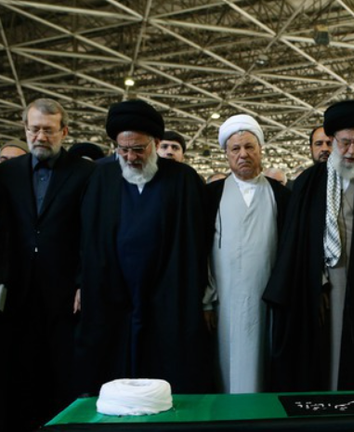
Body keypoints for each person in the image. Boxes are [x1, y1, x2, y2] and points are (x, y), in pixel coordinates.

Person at [75, 99, 211, 396]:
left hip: (166, 291)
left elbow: (197, 242)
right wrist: (83, 282)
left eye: (138, 149)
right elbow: (87, 238)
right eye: (123, 150)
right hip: (114, 291)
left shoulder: (183, 179)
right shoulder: (101, 178)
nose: (130, 157)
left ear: (156, 143)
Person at [263, 100, 354, 392]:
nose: (351, 150)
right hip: (318, 283)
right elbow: (295, 241)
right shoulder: (309, 182)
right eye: (345, 142)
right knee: (320, 352)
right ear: (333, 140)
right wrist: (315, 282)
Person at [0, 99, 95, 431]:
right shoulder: (7, 173)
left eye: (48, 130)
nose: (40, 136)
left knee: (63, 368)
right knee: (20, 367)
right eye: (34, 129)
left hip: (65, 290)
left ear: (64, 132)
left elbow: (91, 232)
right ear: (25, 129)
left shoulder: (86, 173)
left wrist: (83, 281)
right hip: (18, 288)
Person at [205, 115, 290, 393]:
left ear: (260, 150)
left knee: (264, 365)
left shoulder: (281, 195)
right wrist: (206, 301)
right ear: (227, 154)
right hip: (223, 300)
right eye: (236, 149)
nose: (243, 154)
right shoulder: (210, 195)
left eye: (249, 147)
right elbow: (200, 252)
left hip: (268, 298)